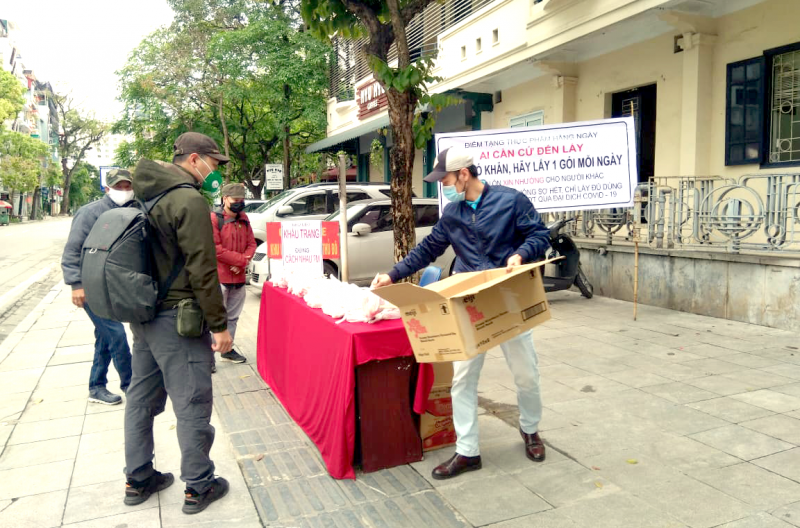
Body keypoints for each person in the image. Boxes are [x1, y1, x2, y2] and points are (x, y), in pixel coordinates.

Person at [371, 146, 551, 480]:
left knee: (526, 373)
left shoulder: (511, 201)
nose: (444, 185)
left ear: (464, 174)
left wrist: (521, 254)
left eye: (447, 179)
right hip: (469, 305)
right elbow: (428, 249)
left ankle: (530, 429)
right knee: (462, 379)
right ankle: (468, 451)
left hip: (507, 298)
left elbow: (540, 235)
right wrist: (392, 275)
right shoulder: (452, 214)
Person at [124, 132, 233, 514]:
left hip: (143, 316)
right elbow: (202, 269)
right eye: (214, 163)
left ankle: (138, 479)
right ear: (194, 159)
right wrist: (220, 325)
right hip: (179, 321)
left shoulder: (145, 193)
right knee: (191, 403)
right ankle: (199, 486)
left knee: (140, 399)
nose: (215, 171)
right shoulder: (187, 199)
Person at [61, 169, 135, 405]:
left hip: (116, 286)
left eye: (127, 186)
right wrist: (76, 284)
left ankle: (96, 386)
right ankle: (131, 385)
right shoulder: (90, 213)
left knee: (105, 337)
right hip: (92, 286)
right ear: (107, 188)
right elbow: (72, 250)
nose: (123, 191)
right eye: (118, 186)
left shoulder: (133, 210)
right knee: (116, 334)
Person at [209, 183, 256, 371]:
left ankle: (227, 350)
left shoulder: (244, 219)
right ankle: (209, 356)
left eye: (241, 200)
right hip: (220, 277)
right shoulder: (215, 219)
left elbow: (252, 244)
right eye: (235, 200)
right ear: (225, 199)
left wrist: (242, 262)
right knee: (216, 318)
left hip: (238, 279)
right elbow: (216, 249)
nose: (239, 203)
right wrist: (239, 261)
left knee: (233, 317)